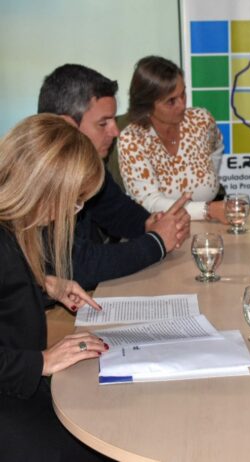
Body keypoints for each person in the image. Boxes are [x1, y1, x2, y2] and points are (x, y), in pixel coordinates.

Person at [0, 114, 110, 460]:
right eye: (74, 201)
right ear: (42, 189)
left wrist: (42, 284)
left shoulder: (12, 227)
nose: (73, 213)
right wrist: (43, 361)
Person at [38, 64, 191, 289]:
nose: (115, 131)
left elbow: (117, 210)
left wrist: (151, 224)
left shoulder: (88, 166)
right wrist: (157, 242)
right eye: (103, 123)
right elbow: (74, 266)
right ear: (66, 125)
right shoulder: (41, 174)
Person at [118, 55, 227, 222]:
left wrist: (210, 178)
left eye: (183, 94)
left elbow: (217, 147)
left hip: (211, 227)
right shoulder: (132, 139)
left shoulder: (201, 120)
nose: (182, 105)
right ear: (147, 104)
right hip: (162, 232)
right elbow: (150, 202)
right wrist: (207, 210)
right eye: (171, 101)